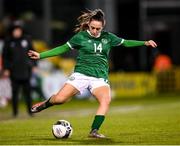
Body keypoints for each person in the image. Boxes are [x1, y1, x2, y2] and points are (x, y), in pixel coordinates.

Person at [28, 9, 157, 138]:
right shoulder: (80, 37)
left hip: (99, 77)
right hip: (81, 75)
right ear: (88, 24)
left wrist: (144, 42)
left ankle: (94, 131)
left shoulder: (108, 37)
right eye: (93, 28)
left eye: (98, 28)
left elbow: (126, 43)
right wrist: (40, 55)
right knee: (60, 99)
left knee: (106, 100)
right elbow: (62, 48)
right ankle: (45, 104)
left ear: (103, 25)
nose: (95, 31)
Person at [2, 21, 37, 117]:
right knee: (15, 92)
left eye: (18, 30)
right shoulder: (8, 41)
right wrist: (6, 69)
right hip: (14, 71)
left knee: (28, 92)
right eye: (15, 30)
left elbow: (33, 52)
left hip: (26, 70)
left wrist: (34, 65)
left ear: (21, 31)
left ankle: (31, 111)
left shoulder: (27, 39)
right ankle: (15, 112)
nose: (17, 32)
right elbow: (5, 56)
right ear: (12, 31)